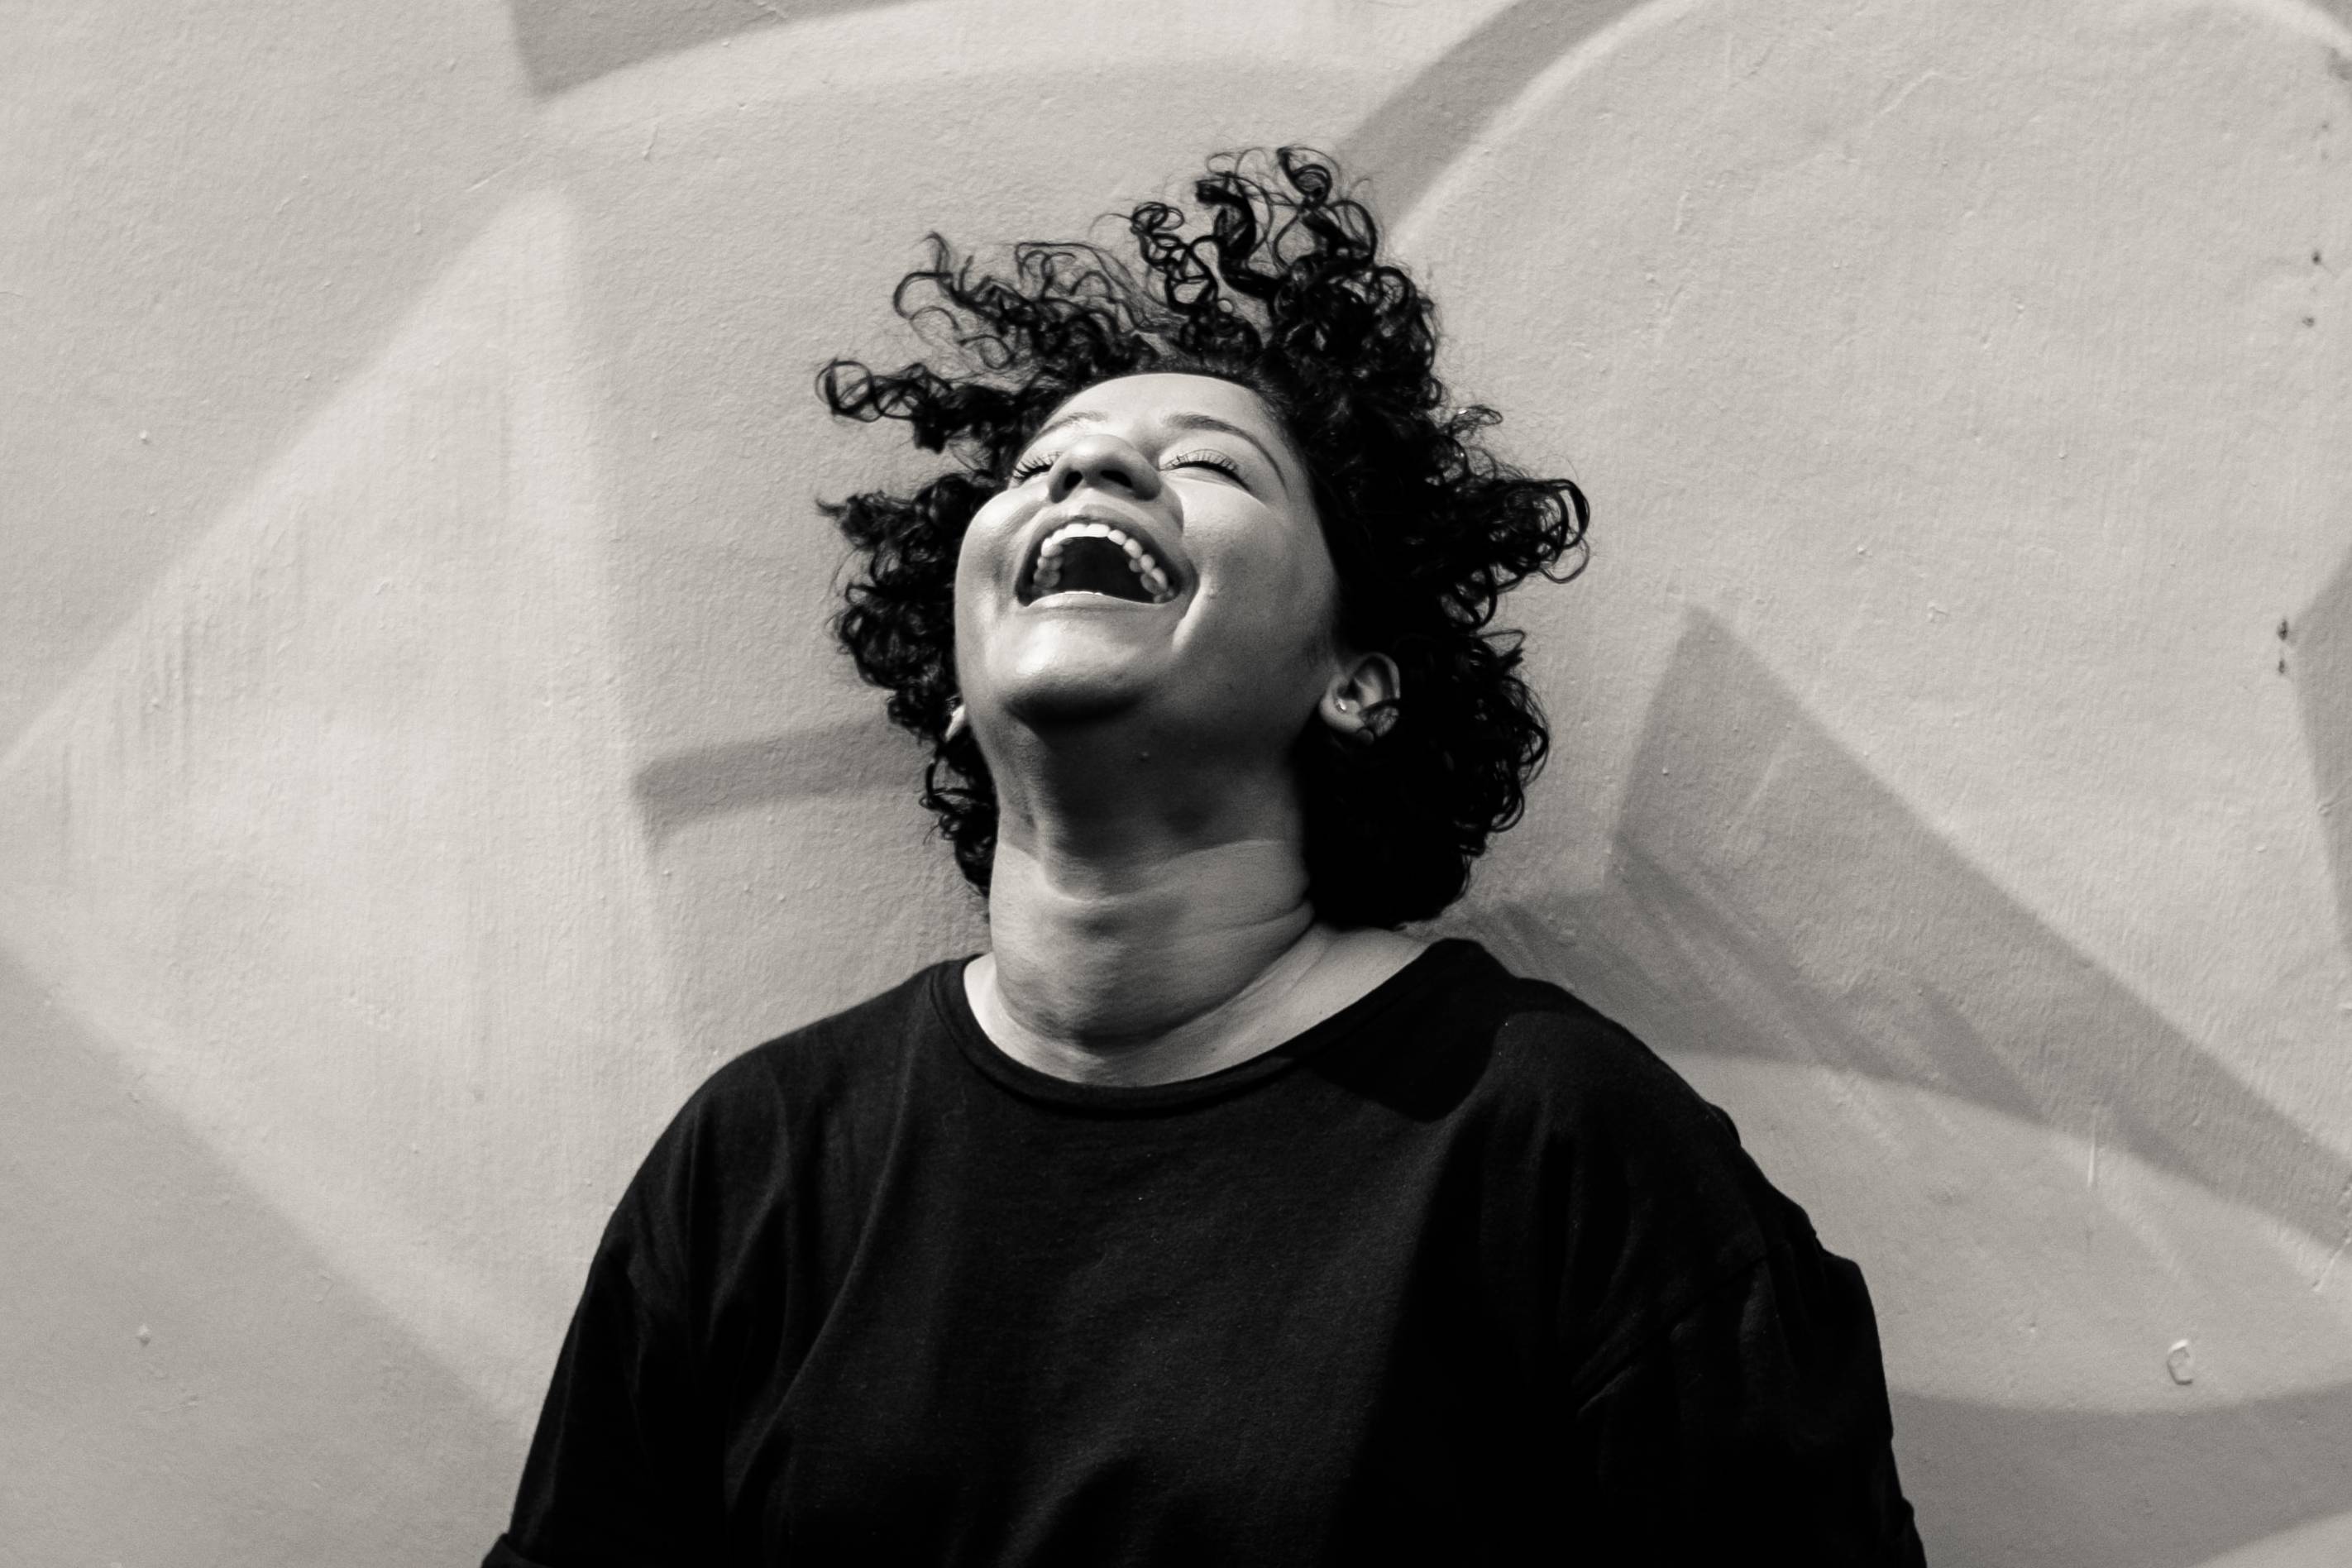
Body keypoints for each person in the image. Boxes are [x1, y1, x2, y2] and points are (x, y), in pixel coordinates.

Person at [485, 147, 1927, 1565]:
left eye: (1207, 466)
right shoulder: (759, 1159)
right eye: (1039, 466)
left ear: (1356, 677)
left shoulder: (1561, 1146)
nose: (1090, 463)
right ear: (952, 674)